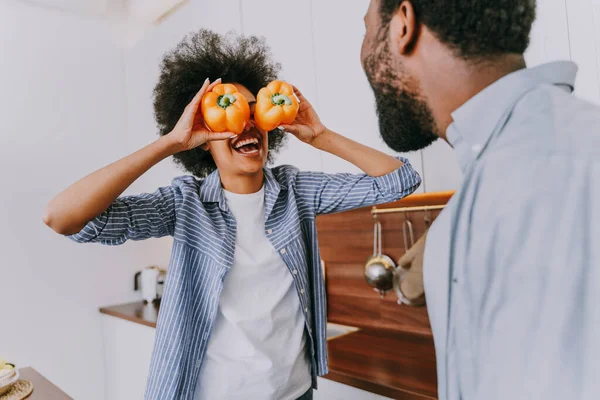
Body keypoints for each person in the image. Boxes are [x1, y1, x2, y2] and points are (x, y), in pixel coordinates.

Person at [43, 30, 421, 400]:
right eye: (226, 114)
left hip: (295, 392)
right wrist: (169, 143)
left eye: (255, 110)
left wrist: (319, 135)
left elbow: (400, 180)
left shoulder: (296, 191)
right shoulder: (185, 204)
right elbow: (63, 218)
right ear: (202, 140)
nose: (245, 121)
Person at [361, 0, 600, 399]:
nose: (364, 53)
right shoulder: (497, 181)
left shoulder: (554, 176)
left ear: (403, 24)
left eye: (367, 30)